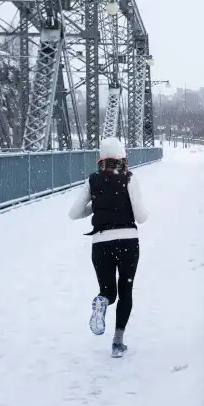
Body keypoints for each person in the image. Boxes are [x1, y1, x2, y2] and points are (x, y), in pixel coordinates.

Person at [68, 137, 148, 357]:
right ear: (123, 158)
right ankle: (117, 343)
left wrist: (97, 207)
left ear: (100, 160)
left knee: (108, 291)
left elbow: (73, 213)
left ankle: (101, 302)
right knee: (126, 290)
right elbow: (141, 217)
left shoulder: (92, 180)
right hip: (128, 242)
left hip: (101, 243)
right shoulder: (129, 179)